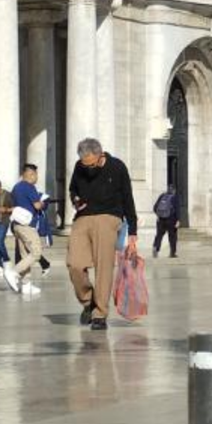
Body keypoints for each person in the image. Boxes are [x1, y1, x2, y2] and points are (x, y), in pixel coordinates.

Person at [66, 138, 138, 332]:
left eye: (91, 164)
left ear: (100, 155)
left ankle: (100, 313)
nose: (88, 169)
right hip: (83, 216)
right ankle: (88, 301)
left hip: (109, 217)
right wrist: (75, 199)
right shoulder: (79, 166)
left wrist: (133, 231)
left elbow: (128, 198)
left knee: (103, 266)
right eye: (84, 164)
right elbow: (73, 188)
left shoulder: (117, 167)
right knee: (74, 264)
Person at [4, 164, 44, 297]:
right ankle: (13, 272)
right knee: (36, 252)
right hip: (27, 226)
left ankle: (26, 285)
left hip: (16, 225)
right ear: (31, 174)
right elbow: (37, 205)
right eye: (36, 175)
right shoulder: (29, 187)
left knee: (25, 255)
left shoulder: (16, 187)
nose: (37, 178)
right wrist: (43, 203)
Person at [152, 185, 181, 259]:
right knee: (172, 236)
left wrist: (159, 215)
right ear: (174, 190)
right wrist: (178, 220)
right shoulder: (174, 198)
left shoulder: (162, 196)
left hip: (160, 220)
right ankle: (172, 253)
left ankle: (156, 247)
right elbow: (177, 210)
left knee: (159, 235)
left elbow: (155, 208)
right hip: (171, 220)